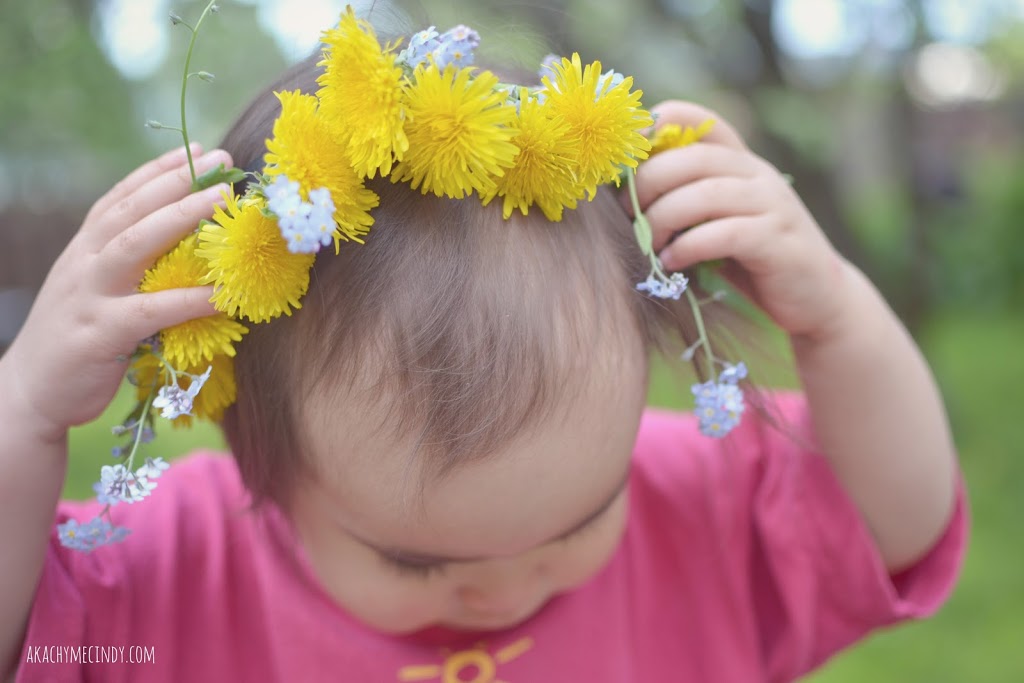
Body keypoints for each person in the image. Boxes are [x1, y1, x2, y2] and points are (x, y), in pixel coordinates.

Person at [1, 13, 965, 683]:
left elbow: (894, 520)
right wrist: (27, 409)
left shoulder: (692, 508)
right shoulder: (169, 579)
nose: (504, 590)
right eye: (416, 564)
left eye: (581, 523)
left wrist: (834, 315)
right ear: (251, 445)